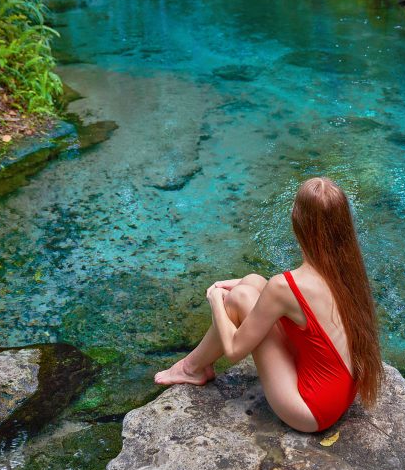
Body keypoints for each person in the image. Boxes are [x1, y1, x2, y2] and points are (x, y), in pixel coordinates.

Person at [154, 176, 383, 432]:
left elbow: (234, 351)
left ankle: (191, 368)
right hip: (341, 392)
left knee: (239, 297)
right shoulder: (347, 270)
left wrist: (216, 300)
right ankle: (193, 366)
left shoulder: (284, 287)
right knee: (253, 281)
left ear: (298, 222)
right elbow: (291, 300)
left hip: (311, 410)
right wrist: (253, 285)